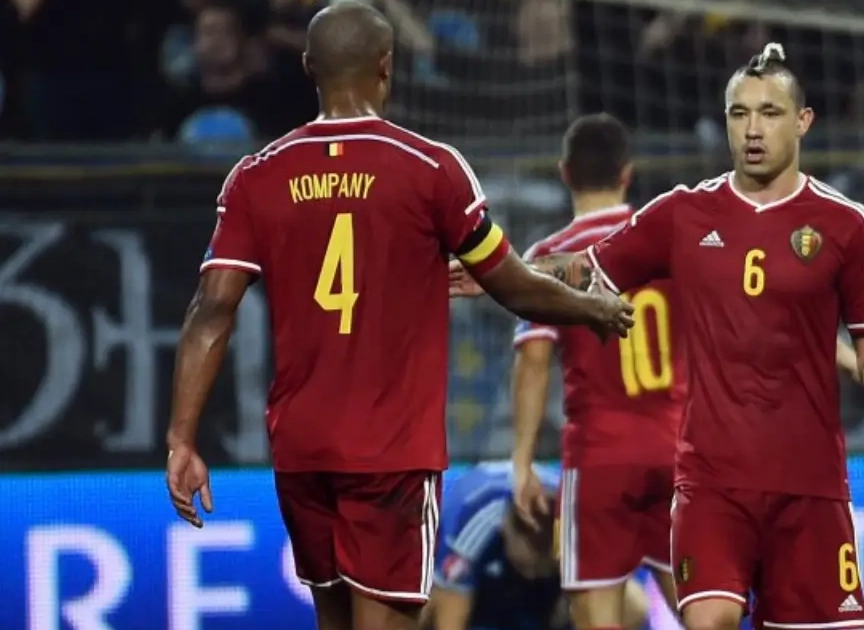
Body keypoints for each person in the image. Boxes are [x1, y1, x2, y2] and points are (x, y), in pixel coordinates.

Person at [163, 4, 633, 630]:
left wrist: (182, 438)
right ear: (386, 67)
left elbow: (211, 309)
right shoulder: (431, 168)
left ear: (308, 68)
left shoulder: (257, 175)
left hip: (303, 448)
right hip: (391, 451)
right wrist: (590, 307)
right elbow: (516, 287)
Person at [520, 42, 864, 630]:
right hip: (710, 483)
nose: (753, 129)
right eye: (740, 113)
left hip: (809, 485)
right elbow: (586, 269)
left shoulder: (845, 224)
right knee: (710, 619)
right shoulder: (683, 213)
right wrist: (498, 270)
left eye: (770, 113)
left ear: (803, 121)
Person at [508, 113, 685, 630]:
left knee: (596, 617)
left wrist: (522, 462)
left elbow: (534, 360)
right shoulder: (669, 241)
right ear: (627, 173)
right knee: (704, 611)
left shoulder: (551, 257)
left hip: (600, 458)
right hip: (679, 449)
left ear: (565, 173)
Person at [427, 464, 649, 630]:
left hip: (550, 589)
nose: (532, 574)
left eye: (539, 569)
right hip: (480, 587)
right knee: (421, 609)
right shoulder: (474, 519)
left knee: (623, 606)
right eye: (527, 566)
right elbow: (449, 618)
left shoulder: (578, 526)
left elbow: (635, 609)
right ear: (508, 531)